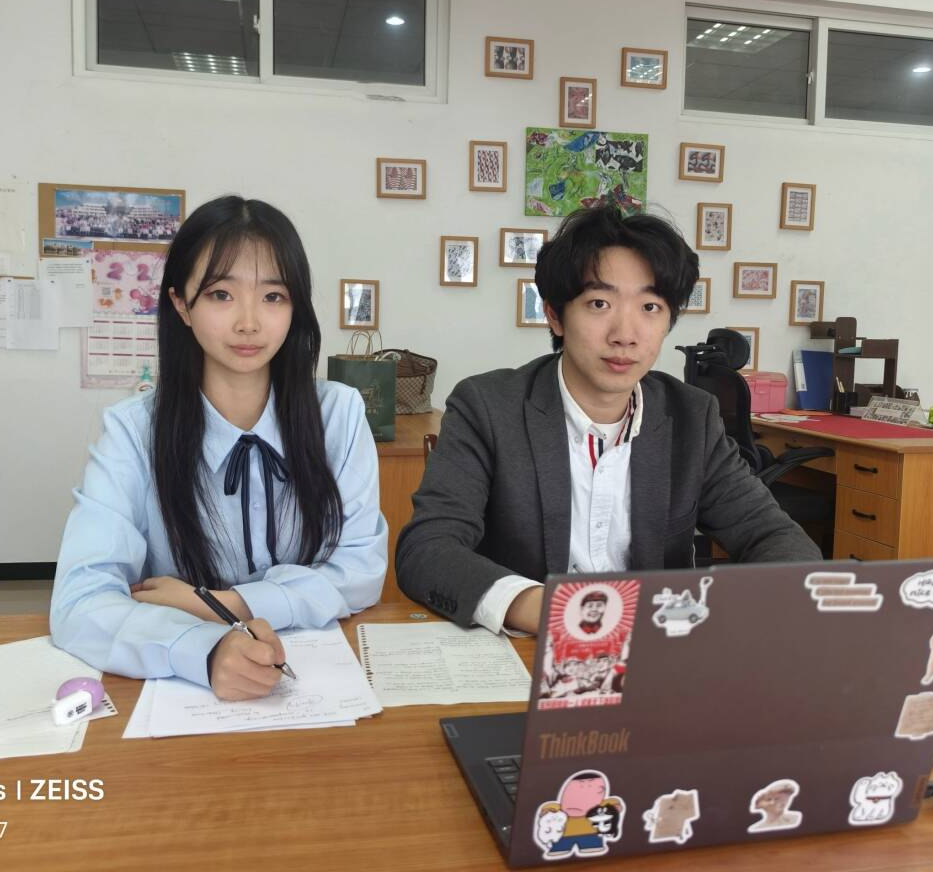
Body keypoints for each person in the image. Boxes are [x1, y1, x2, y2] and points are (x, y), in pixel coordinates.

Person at [395, 203, 820, 635]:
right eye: (599, 303)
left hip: (654, 653)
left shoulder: (692, 418)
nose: (625, 334)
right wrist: (554, 611)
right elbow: (428, 549)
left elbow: (775, 537)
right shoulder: (487, 408)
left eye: (650, 307)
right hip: (529, 650)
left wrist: (736, 609)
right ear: (555, 315)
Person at [51, 196, 387, 700]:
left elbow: (361, 572)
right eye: (221, 295)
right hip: (185, 694)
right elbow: (80, 602)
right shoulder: (132, 432)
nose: (249, 322)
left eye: (273, 296)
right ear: (181, 305)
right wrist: (203, 649)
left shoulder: (337, 415)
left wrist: (223, 604)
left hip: (321, 680)